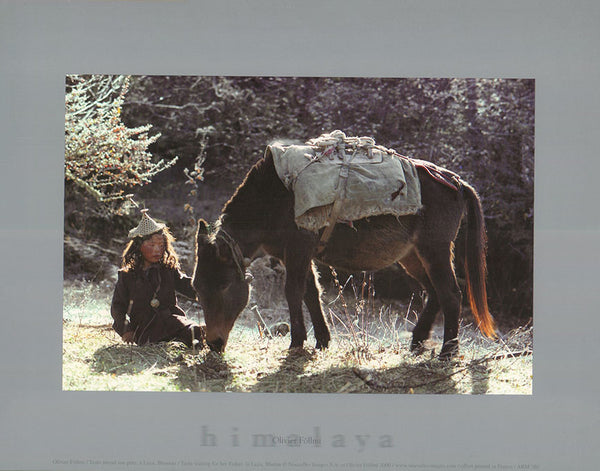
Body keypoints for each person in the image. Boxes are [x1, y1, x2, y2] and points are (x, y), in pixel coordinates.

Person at [111, 209, 204, 348]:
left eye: (161, 246)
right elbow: (117, 307)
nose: (157, 250)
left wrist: (208, 288)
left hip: (173, 321)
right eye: (151, 245)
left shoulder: (168, 270)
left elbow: (188, 286)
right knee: (157, 343)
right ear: (139, 246)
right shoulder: (127, 276)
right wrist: (126, 330)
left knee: (194, 332)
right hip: (145, 328)